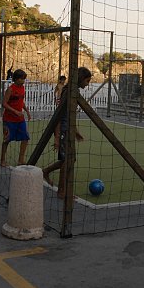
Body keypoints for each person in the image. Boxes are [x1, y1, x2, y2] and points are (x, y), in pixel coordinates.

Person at [43, 67, 93, 198]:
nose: (88, 84)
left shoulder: (74, 91)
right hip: (63, 130)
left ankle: (46, 171)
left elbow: (69, 115)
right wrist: (57, 136)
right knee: (67, 160)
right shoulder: (68, 92)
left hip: (68, 129)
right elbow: (59, 115)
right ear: (81, 79)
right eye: (87, 81)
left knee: (70, 159)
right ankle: (62, 191)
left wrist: (75, 131)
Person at [0, 69, 31, 167]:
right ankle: (2, 160)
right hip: (9, 119)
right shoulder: (10, 89)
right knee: (7, 140)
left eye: (24, 79)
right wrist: (15, 111)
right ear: (16, 79)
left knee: (25, 138)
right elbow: (4, 103)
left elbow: (21, 101)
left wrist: (26, 110)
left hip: (20, 119)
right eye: (22, 79)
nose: (23, 81)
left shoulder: (22, 88)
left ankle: (21, 160)